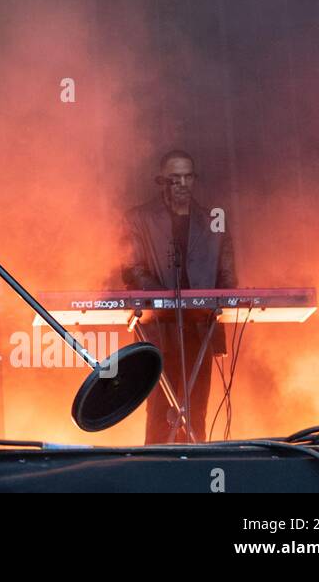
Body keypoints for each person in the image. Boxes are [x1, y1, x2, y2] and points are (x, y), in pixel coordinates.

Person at [122, 150, 237, 443]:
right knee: (160, 409)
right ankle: (157, 474)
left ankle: (194, 475)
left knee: (196, 408)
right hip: (158, 329)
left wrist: (223, 303)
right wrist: (163, 301)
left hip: (201, 327)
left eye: (188, 177)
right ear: (162, 182)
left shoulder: (213, 219)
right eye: (175, 179)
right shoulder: (139, 218)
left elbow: (226, 276)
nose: (183, 184)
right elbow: (132, 268)